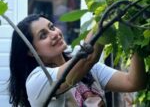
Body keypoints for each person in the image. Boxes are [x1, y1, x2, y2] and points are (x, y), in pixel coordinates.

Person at [8, 14, 147, 107]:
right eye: (43, 35)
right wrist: (104, 17)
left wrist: (135, 35)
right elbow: (88, 59)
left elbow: (134, 82)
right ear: (31, 52)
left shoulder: (90, 70)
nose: (54, 34)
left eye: (51, 27)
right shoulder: (37, 80)